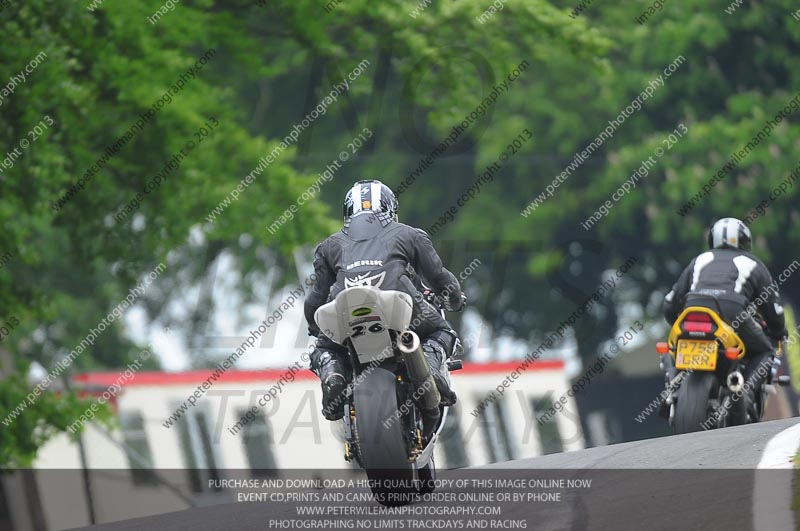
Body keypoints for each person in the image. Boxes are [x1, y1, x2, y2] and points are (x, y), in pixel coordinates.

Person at [304, 179, 465, 420]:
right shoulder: (409, 234)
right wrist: (454, 299)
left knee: (324, 348)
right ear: (390, 208)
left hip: (345, 308)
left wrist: (315, 328)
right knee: (443, 333)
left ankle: (333, 374)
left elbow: (315, 298)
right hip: (397, 303)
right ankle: (432, 370)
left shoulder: (329, 245)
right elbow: (439, 278)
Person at [663, 217, 787, 409]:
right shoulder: (752, 263)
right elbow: (772, 308)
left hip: (692, 308)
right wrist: (778, 331)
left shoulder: (699, 259)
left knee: (672, 347)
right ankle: (744, 392)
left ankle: (672, 385)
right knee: (765, 351)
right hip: (732, 312)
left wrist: (676, 322)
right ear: (745, 242)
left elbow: (671, 301)